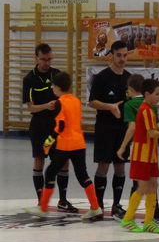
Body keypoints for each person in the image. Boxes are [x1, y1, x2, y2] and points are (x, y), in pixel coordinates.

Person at [24, 72, 102, 221]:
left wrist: (48, 143)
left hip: (65, 145)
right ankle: (95, 208)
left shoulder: (59, 103)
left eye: (53, 85)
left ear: (58, 87)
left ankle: (43, 208)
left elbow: (60, 126)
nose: (52, 88)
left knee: (50, 172)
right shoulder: (76, 100)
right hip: (79, 143)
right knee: (83, 175)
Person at [119, 80, 159, 233]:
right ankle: (128, 218)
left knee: (153, 185)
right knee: (143, 187)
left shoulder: (150, 109)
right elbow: (152, 133)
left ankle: (148, 221)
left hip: (151, 153)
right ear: (147, 94)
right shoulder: (145, 110)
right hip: (142, 154)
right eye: (157, 94)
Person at [22, 43, 75, 212]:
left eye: (49, 59)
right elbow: (30, 107)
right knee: (39, 160)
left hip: (57, 127)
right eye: (43, 59)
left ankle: (63, 200)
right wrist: (46, 106)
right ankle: (41, 201)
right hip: (39, 127)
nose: (47, 62)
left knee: (63, 161)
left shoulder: (57, 75)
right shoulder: (29, 79)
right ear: (36, 58)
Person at [89, 40, 131, 219]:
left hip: (123, 129)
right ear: (112, 55)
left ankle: (116, 206)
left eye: (125, 55)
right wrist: (110, 107)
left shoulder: (129, 78)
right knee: (103, 165)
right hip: (105, 127)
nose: (122, 59)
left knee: (120, 166)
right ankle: (98, 206)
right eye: (119, 55)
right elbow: (92, 102)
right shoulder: (101, 77)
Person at [116, 74, 159, 223]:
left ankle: (135, 219)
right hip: (149, 150)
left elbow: (132, 127)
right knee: (149, 184)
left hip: (142, 149)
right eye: (158, 94)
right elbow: (154, 128)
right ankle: (153, 216)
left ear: (130, 89)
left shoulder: (131, 105)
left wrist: (123, 146)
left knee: (143, 185)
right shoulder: (150, 107)